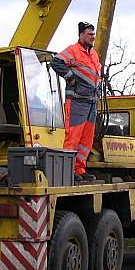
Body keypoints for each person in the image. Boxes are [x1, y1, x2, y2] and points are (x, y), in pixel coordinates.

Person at [51, 21, 101, 182]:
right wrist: (70, 78)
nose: (92, 37)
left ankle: (79, 169)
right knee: (73, 137)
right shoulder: (73, 51)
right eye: (89, 34)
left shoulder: (94, 54)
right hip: (77, 101)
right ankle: (68, 170)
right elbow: (56, 62)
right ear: (81, 35)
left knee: (86, 140)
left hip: (91, 102)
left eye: (93, 34)